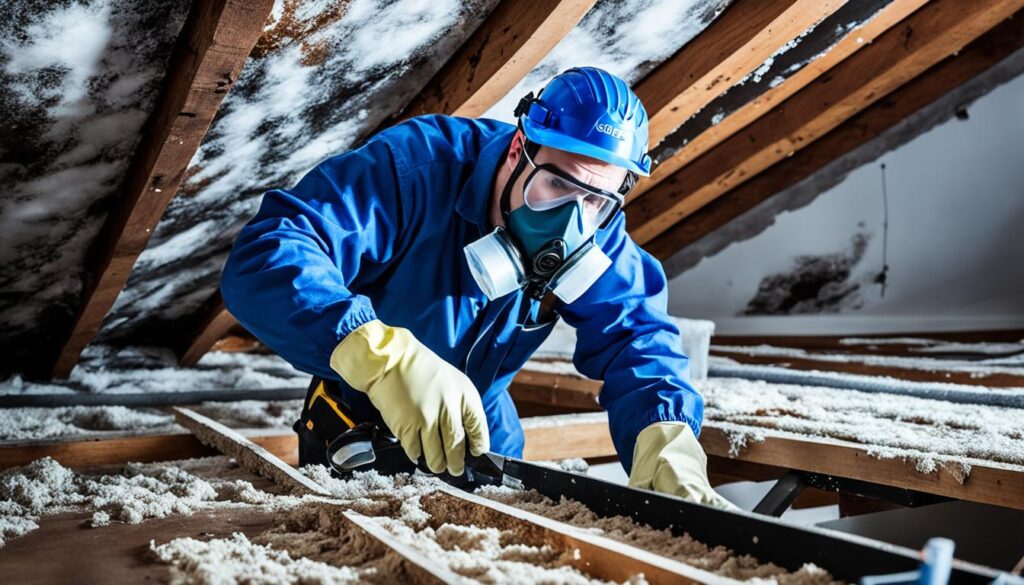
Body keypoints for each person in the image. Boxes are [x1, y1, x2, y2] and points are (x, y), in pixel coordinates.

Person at [221, 67, 733, 508]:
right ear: (517, 149)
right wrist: (378, 355)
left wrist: (664, 435)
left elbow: (635, 336)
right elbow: (269, 252)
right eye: (556, 183)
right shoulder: (416, 170)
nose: (569, 221)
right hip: (362, 422)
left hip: (489, 433)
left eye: (594, 199)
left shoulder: (599, 231)